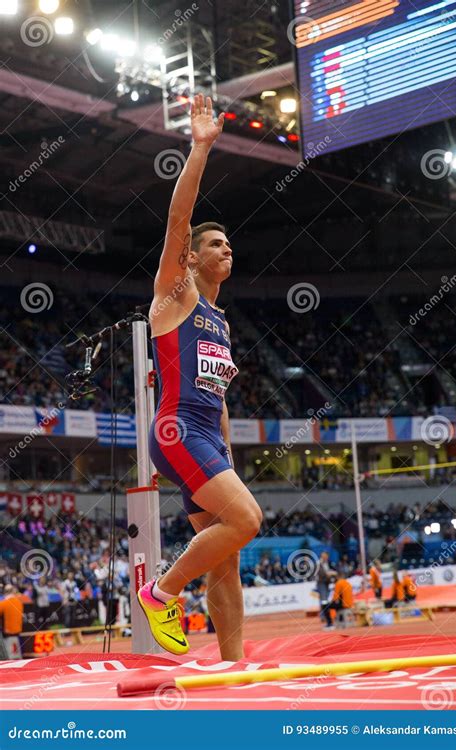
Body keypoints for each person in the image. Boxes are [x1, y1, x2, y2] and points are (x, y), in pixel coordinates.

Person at [138, 94, 262, 659]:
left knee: (226, 556)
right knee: (247, 519)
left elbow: (219, 397)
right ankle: (162, 591)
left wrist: (227, 453)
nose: (225, 246)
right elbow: (178, 218)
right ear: (190, 258)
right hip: (177, 432)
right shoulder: (175, 293)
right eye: (215, 243)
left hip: (207, 438)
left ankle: (232, 669)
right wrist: (201, 148)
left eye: (228, 242)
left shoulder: (221, 321)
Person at [0, 584, 24, 659]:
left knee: (9, 659)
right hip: (17, 634)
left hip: (7, 636)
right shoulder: (19, 602)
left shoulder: (4, 603)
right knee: (17, 657)